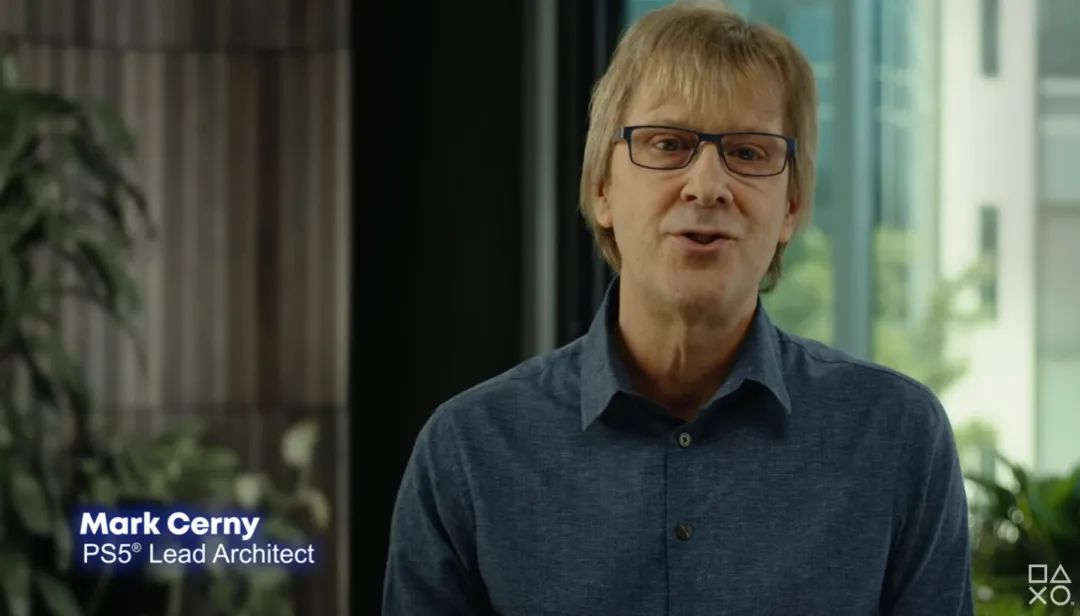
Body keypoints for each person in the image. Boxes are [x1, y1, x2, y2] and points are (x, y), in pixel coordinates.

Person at [382, 3, 974, 614]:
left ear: (792, 207)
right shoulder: (470, 450)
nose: (707, 186)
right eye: (668, 144)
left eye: (749, 153)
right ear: (602, 189)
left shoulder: (895, 436)